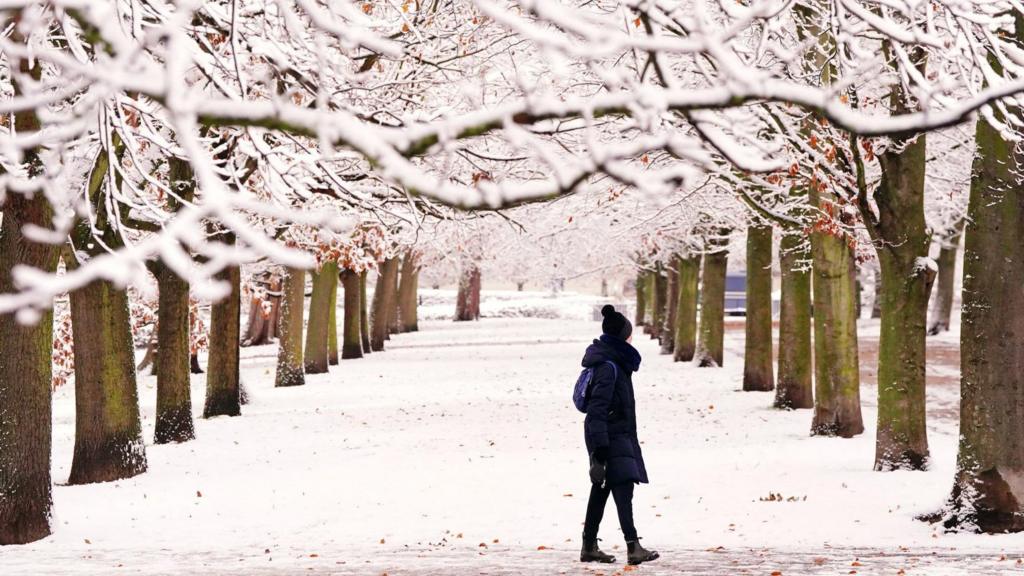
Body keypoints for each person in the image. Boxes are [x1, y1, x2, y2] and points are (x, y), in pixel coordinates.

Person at [579, 305, 660, 566]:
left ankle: (589, 546)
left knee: (602, 489)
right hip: (609, 437)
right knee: (623, 487)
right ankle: (633, 546)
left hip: (614, 435)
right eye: (629, 334)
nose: (631, 338)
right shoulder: (609, 367)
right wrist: (600, 449)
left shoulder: (614, 363)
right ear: (621, 337)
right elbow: (596, 409)